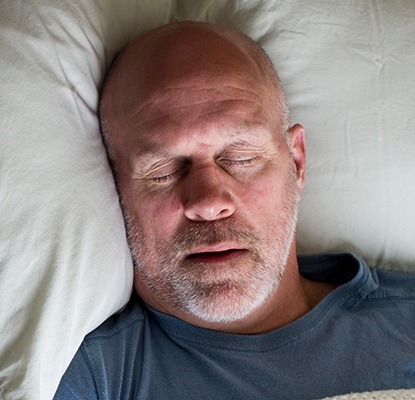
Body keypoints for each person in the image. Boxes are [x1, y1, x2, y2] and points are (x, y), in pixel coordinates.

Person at [53, 21, 415, 399]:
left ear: (297, 164)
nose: (209, 203)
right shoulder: (90, 377)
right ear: (116, 190)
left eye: (240, 157)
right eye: (164, 171)